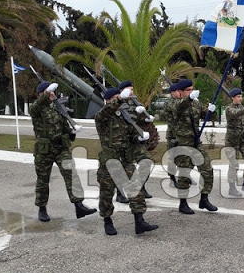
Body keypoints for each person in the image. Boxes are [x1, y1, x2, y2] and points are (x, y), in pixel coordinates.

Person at [29, 81, 97, 222]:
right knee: (43, 180)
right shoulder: (36, 108)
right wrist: (47, 92)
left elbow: (63, 125)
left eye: (52, 91)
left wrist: (72, 131)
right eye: (49, 92)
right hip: (44, 151)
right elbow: (36, 106)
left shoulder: (57, 107)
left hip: (61, 148)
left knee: (71, 174)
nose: (52, 93)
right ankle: (42, 209)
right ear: (41, 94)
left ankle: (79, 206)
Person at [95, 87, 158, 235]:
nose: (121, 101)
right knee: (107, 193)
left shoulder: (124, 117)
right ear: (109, 100)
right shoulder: (102, 116)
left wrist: (139, 137)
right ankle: (107, 221)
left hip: (125, 159)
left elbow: (130, 136)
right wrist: (120, 99)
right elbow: (104, 112)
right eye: (117, 98)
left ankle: (139, 221)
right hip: (109, 161)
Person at [171, 79, 218, 214]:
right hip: (184, 143)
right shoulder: (175, 104)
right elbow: (179, 108)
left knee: (207, 169)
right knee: (185, 173)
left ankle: (204, 199)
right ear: (180, 92)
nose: (191, 92)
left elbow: (207, 116)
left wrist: (211, 111)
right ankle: (183, 203)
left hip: (196, 142)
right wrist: (189, 99)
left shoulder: (196, 104)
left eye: (192, 89)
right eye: (188, 90)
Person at [115, 80, 155, 201]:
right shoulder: (116, 104)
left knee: (147, 161)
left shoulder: (136, 104)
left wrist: (146, 120)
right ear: (121, 91)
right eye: (129, 89)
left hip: (135, 141)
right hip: (122, 142)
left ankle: (141, 187)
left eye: (132, 89)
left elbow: (137, 122)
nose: (131, 92)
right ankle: (120, 194)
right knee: (123, 167)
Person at [161, 82, 181, 187]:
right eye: (178, 91)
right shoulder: (169, 103)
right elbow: (176, 108)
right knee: (172, 158)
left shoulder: (181, 101)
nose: (180, 93)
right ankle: (172, 179)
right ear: (173, 92)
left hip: (182, 134)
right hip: (173, 135)